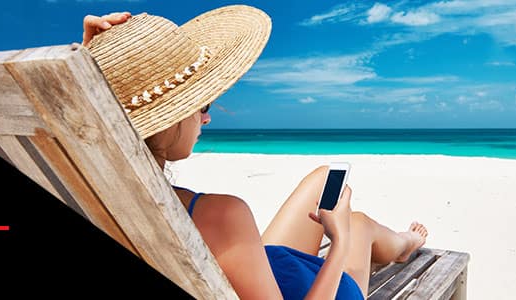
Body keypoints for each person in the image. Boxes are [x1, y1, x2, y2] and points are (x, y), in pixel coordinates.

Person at [80, 6, 429, 300]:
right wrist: (338, 242)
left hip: (252, 273)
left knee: (325, 178)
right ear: (166, 120)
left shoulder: (81, 193)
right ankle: (402, 245)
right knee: (355, 224)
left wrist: (89, 69)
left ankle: (398, 242)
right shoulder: (221, 216)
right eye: (201, 103)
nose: (206, 116)